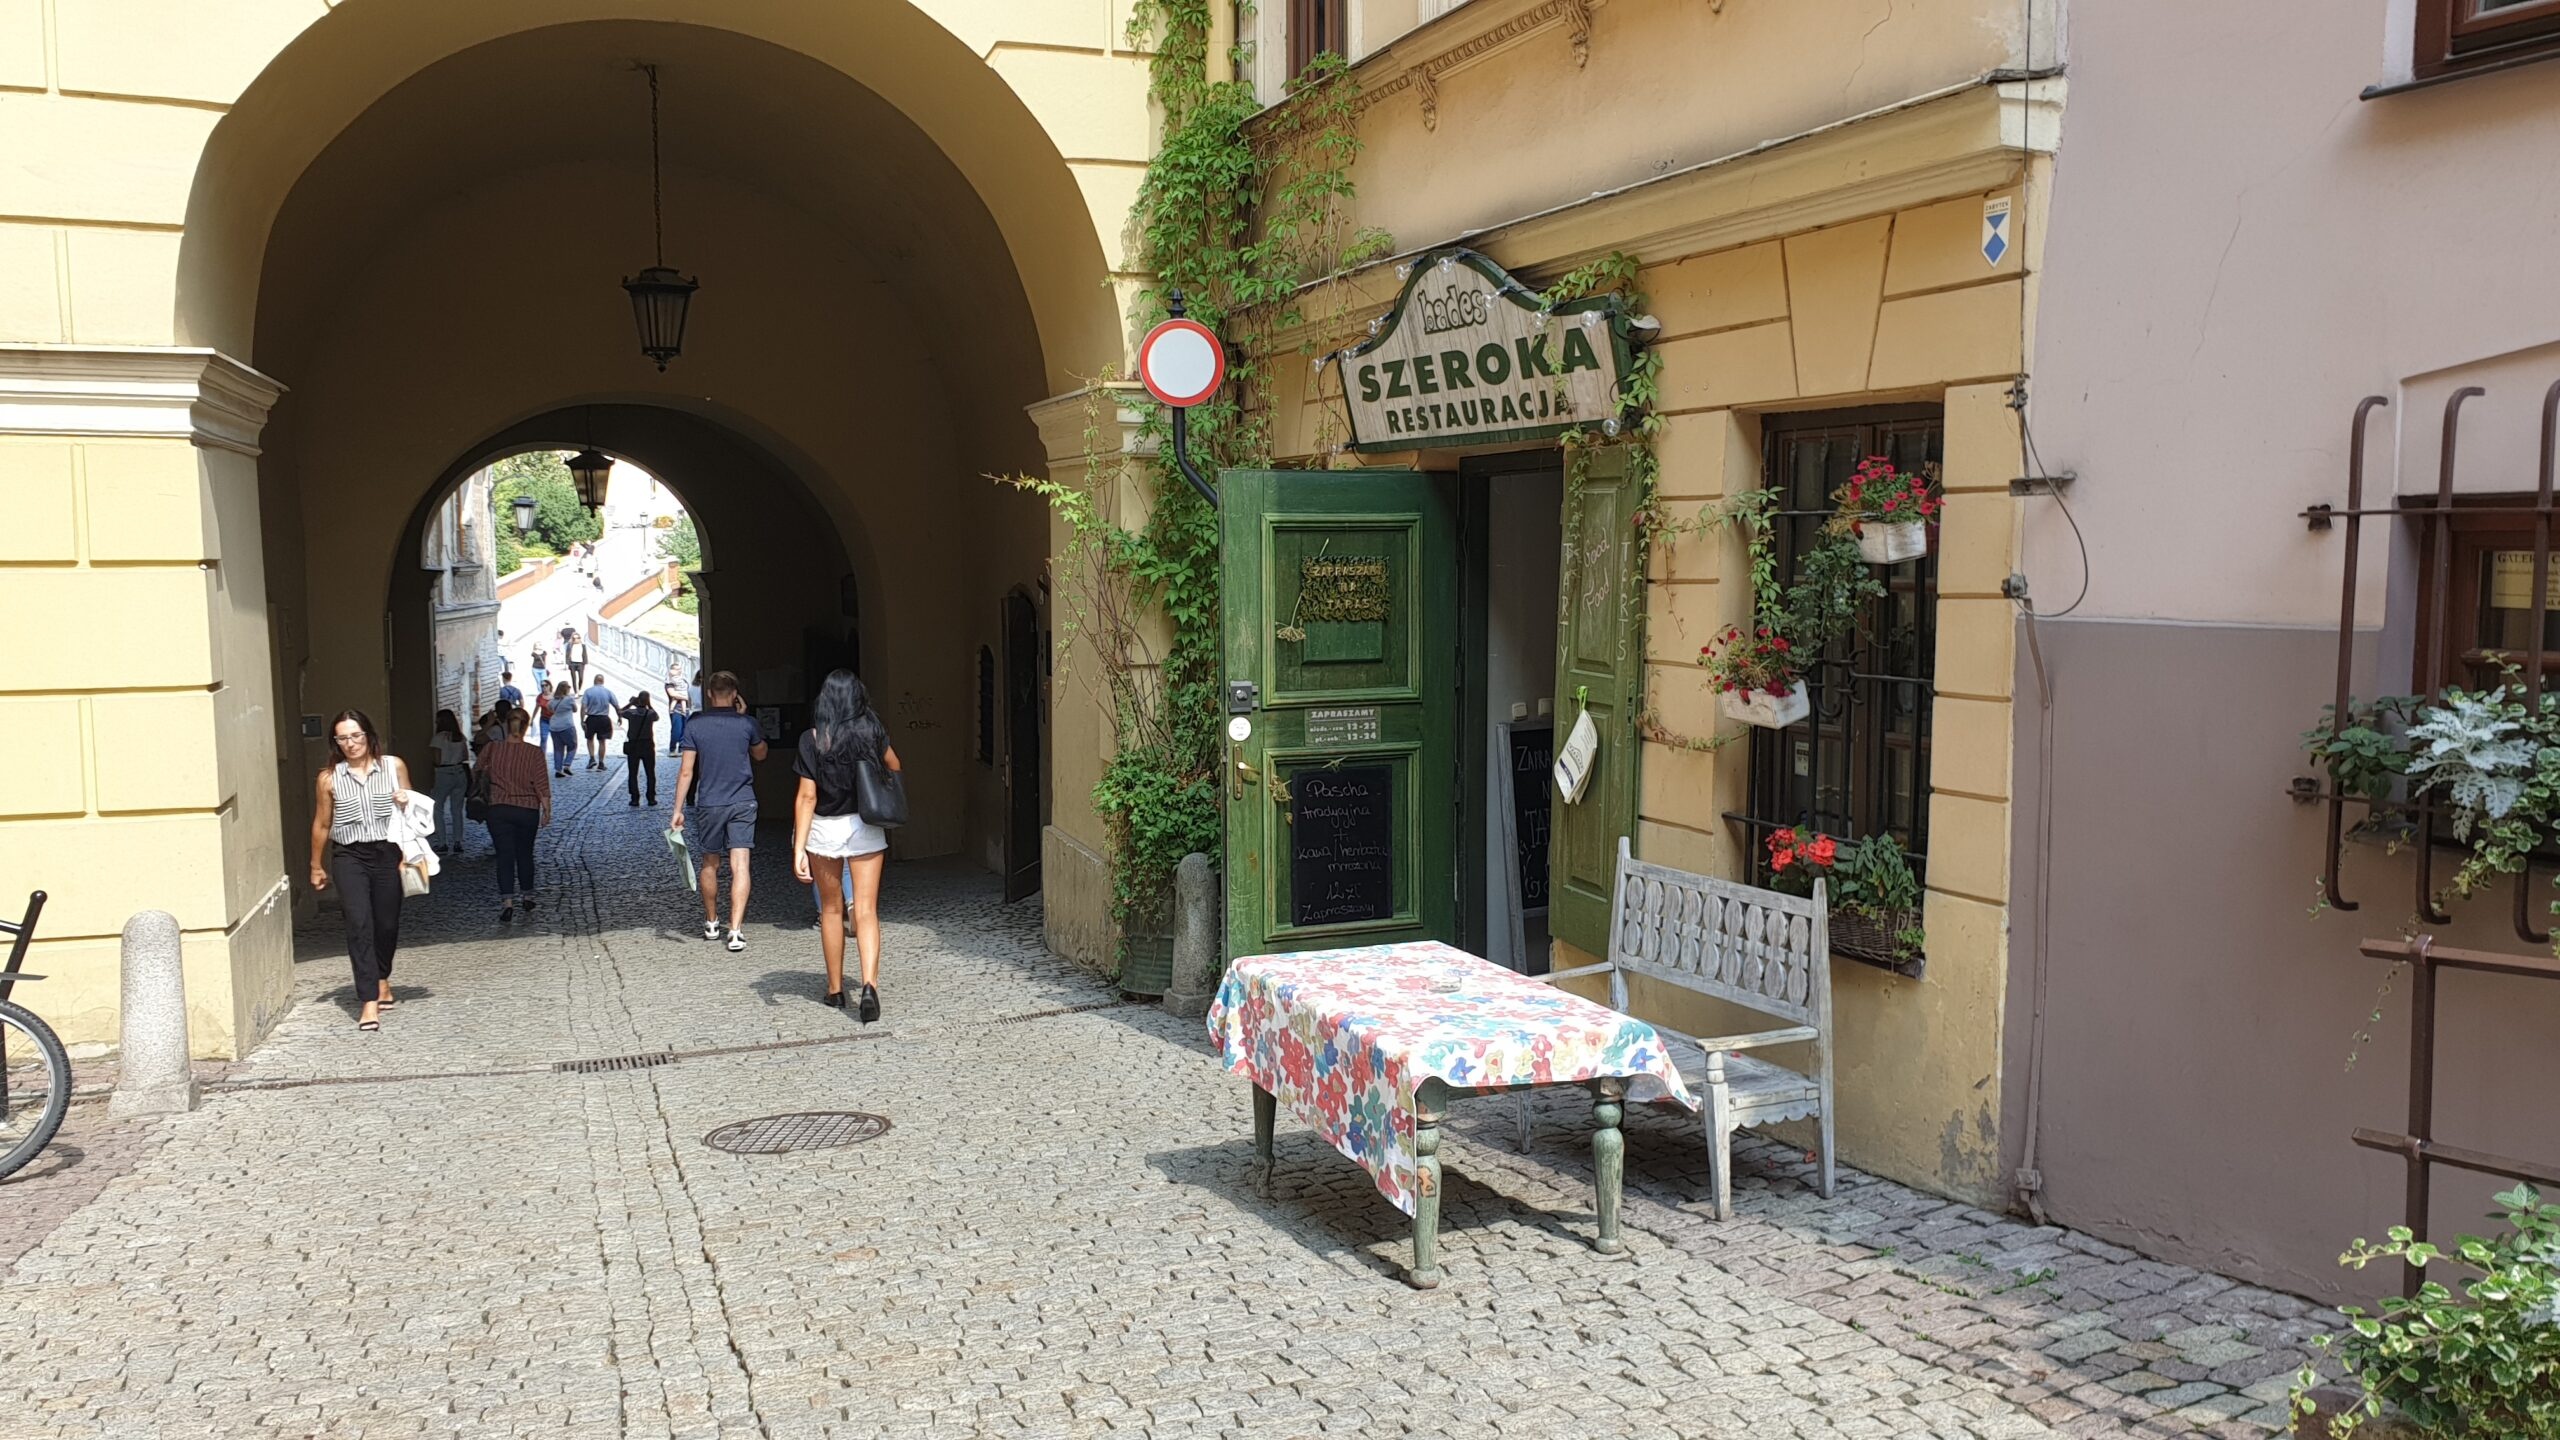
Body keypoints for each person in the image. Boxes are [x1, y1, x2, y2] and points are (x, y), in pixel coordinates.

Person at [791, 670, 900, 1022]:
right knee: (866, 911)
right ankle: (869, 985)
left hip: (824, 830)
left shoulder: (812, 739)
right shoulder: (872, 732)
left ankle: (835, 989)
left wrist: (799, 848)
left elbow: (807, 796)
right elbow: (895, 766)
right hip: (865, 827)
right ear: (858, 698)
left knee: (831, 911)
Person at [308, 710, 414, 1032]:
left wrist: (406, 801)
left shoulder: (394, 767)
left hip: (387, 853)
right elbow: (323, 824)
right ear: (335, 743)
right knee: (358, 922)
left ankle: (382, 975)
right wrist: (316, 865)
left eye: (356, 736)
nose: (351, 744)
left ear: (368, 735)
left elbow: (413, 812)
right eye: (342, 738)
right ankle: (368, 1000)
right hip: (349, 857)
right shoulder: (329, 778)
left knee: (386, 923)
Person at [672, 671, 767, 952]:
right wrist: (745, 717)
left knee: (710, 864)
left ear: (710, 694)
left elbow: (686, 770)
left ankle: (712, 921)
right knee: (741, 866)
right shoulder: (747, 724)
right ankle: (735, 930)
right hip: (742, 801)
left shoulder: (696, 724)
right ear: (735, 694)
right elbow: (761, 754)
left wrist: (677, 809)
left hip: (710, 801)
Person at [476, 707, 551, 923]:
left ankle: (507, 902)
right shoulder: (534, 752)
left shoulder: (492, 749)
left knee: (505, 856)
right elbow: (541, 783)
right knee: (525, 854)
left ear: (507, 725)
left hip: (498, 809)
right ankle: (527, 895)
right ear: (526, 726)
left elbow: (477, 769)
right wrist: (547, 809)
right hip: (527, 810)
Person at [429, 708, 471, 856]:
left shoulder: (438, 738)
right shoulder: (461, 737)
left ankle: (442, 843)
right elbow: (465, 755)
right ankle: (458, 842)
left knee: (437, 807)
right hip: (460, 772)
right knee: (457, 810)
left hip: (444, 773)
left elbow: (436, 759)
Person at [619, 690, 660, 806]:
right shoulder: (650, 713)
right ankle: (651, 798)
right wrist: (649, 704)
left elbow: (620, 712)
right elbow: (657, 717)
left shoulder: (631, 713)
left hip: (634, 745)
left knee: (633, 773)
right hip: (647, 745)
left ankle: (634, 798)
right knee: (650, 773)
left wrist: (631, 703)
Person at [580, 675, 618, 771]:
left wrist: (582, 720)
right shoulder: (608, 692)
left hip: (591, 718)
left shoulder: (588, 691)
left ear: (594, 681)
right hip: (604, 719)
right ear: (603, 681)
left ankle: (592, 758)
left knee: (589, 739)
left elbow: (583, 707)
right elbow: (616, 705)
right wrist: (620, 716)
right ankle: (601, 763)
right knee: (602, 741)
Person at [545, 680, 579, 776]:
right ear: (566, 689)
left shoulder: (552, 700)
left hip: (554, 726)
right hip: (567, 726)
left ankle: (558, 770)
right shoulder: (569, 699)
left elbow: (549, 708)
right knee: (573, 745)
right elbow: (575, 710)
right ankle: (567, 764)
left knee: (558, 749)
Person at [664, 662, 688, 756]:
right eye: (677, 669)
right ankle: (672, 748)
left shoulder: (683, 680)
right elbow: (672, 694)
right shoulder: (669, 682)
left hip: (686, 707)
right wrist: (686, 697)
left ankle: (682, 748)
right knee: (676, 730)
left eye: (680, 669)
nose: (680, 671)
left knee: (685, 729)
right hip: (676, 710)